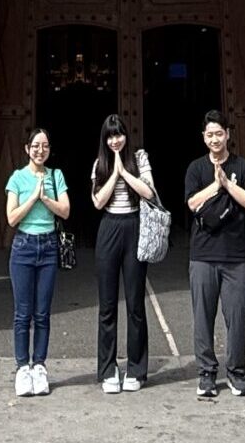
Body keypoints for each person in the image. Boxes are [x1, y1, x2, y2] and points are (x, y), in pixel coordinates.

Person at [182, 110, 245, 399]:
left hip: (235, 255)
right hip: (202, 254)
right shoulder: (196, 169)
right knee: (203, 316)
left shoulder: (243, 166)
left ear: (228, 134)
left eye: (219, 133)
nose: (215, 138)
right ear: (204, 137)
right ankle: (207, 373)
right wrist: (215, 185)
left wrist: (228, 184)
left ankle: (237, 372)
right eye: (209, 134)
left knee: (238, 315)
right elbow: (191, 203)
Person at [90, 114, 156, 393]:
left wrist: (125, 172)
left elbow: (149, 193)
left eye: (119, 135)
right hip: (109, 228)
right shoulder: (99, 164)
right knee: (107, 306)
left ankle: (137, 369)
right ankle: (108, 369)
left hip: (134, 225)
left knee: (135, 303)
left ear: (126, 136)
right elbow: (97, 201)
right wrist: (113, 173)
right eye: (110, 136)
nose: (115, 140)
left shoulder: (139, 158)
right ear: (105, 139)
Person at [4, 126, 70, 397]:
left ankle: (39, 365)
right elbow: (11, 217)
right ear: (27, 149)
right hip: (23, 246)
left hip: (49, 246)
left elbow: (65, 210)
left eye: (44, 146)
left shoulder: (56, 175)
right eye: (35, 146)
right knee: (23, 313)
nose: (40, 150)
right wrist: (33, 197)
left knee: (42, 312)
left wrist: (46, 197)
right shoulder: (17, 178)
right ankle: (22, 368)